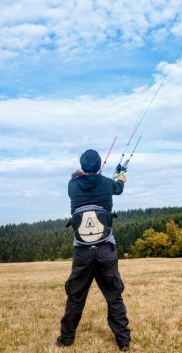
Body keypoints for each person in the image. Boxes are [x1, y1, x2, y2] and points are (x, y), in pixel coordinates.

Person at [57, 149, 131, 351]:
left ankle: (66, 339)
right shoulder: (108, 184)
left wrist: (93, 175)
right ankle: (123, 342)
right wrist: (121, 177)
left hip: (82, 251)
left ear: (83, 166)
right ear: (99, 166)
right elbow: (118, 188)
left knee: (76, 296)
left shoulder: (72, 185)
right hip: (106, 248)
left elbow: (80, 178)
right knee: (114, 296)